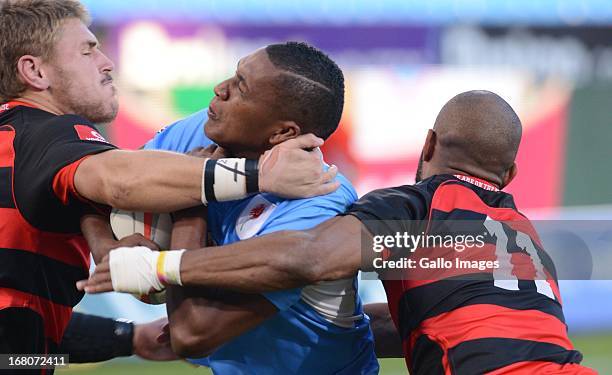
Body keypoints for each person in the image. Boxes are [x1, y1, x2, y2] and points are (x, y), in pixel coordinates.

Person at [83, 91, 596, 374]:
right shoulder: (524, 237)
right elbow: (414, 324)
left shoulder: (415, 207)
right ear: (509, 176)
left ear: (429, 144)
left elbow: (308, 257)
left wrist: (159, 264)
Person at [0, 0, 335, 359]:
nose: (107, 62)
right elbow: (122, 180)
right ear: (35, 72)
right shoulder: (44, 133)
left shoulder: (17, 144)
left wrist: (126, 337)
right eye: (88, 51)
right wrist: (259, 176)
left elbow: (22, 349)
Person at [83, 41, 378, 374]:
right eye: (233, 74)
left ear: (282, 132)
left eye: (242, 87)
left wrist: (191, 201)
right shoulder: (208, 128)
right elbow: (95, 185)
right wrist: (110, 251)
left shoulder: (317, 206)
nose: (220, 89)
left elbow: (192, 333)